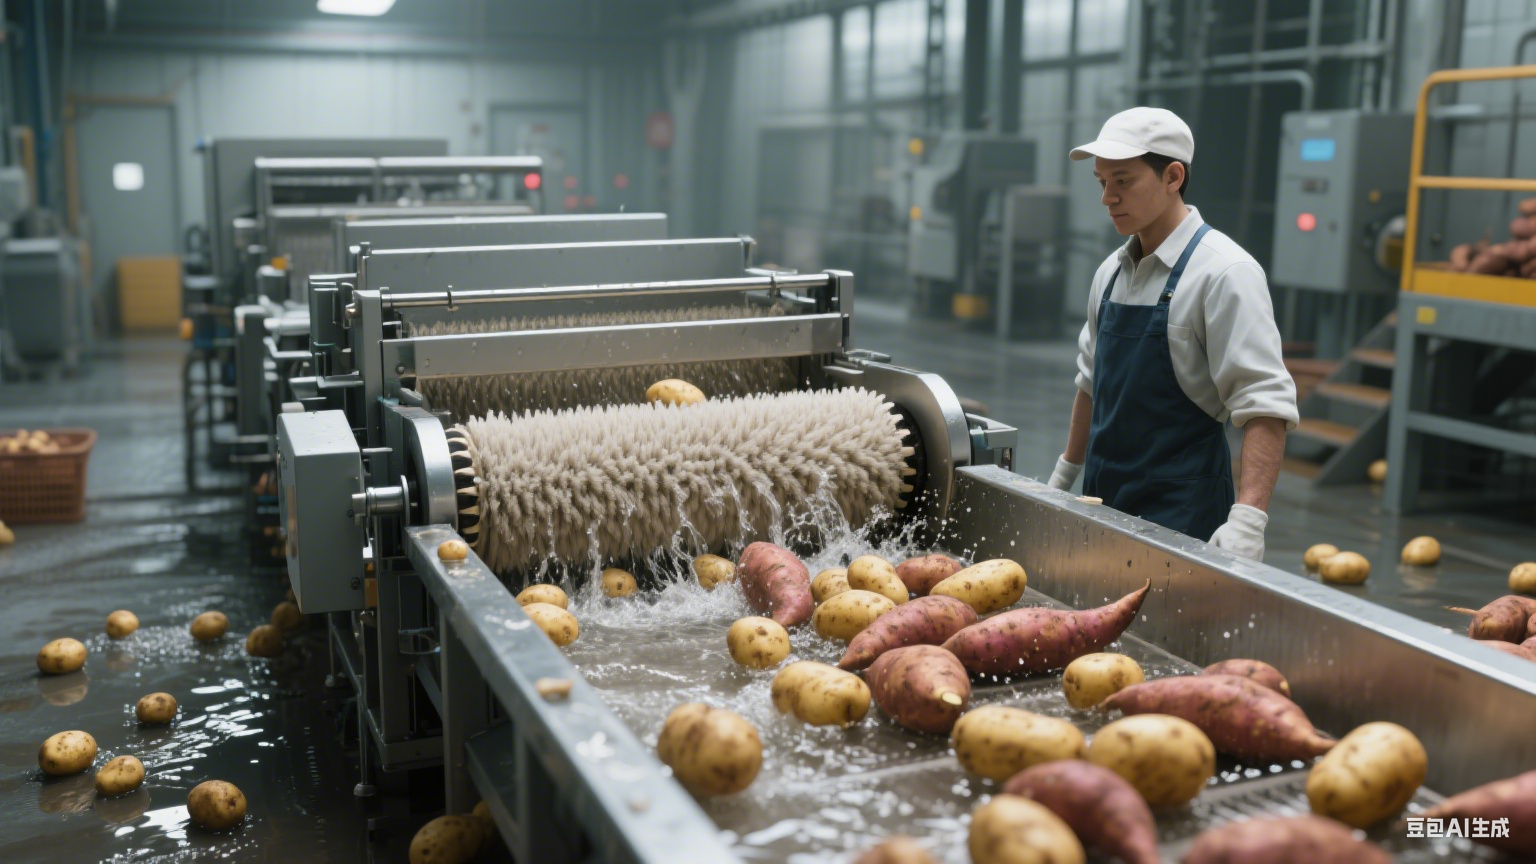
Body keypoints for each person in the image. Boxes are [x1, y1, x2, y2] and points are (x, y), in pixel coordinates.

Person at [1047, 107, 1298, 561]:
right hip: (1101, 501)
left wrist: (1248, 521)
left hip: (1183, 516)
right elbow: (1090, 383)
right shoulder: (1109, 273)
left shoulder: (1224, 272)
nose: (1108, 198)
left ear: (1173, 176)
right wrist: (1065, 475)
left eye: (1123, 181)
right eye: (1102, 182)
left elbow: (1264, 405)